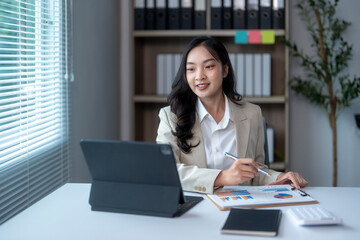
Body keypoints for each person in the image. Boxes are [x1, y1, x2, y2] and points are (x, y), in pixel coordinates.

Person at [156, 36, 307, 194]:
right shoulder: (170, 116)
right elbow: (166, 171)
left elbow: (257, 171)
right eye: (191, 69)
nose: (199, 76)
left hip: (242, 205)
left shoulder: (252, 114)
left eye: (208, 66)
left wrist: (279, 177)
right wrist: (222, 177)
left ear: (225, 70)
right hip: (196, 207)